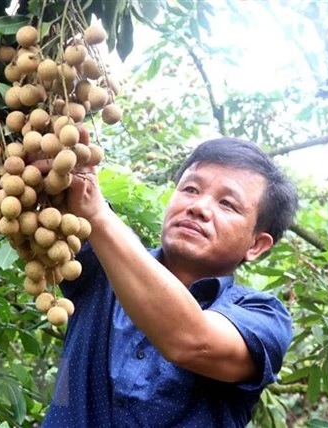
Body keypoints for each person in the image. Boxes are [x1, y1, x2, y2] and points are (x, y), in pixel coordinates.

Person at [41, 137, 298, 427]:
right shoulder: (100, 262)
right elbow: (48, 190)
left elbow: (190, 341)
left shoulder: (264, 317)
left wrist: (98, 214)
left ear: (256, 245)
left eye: (227, 203)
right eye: (190, 189)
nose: (199, 207)